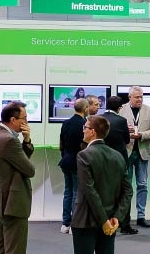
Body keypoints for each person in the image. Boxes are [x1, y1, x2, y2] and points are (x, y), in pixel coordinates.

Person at [71, 115, 132, 254]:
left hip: (86, 221)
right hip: (111, 220)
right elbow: (128, 191)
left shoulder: (84, 155)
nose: (83, 131)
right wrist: (117, 217)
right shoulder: (118, 156)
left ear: (92, 131)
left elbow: (89, 191)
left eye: (85, 128)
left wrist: (104, 221)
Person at [0, 101, 35, 254]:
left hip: (0, 202)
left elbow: (18, 162)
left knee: (2, 248)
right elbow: (29, 169)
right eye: (24, 118)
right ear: (13, 120)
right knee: (15, 250)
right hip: (12, 205)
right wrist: (26, 141)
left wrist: (26, 141)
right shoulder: (9, 140)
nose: (26, 122)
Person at [117, 86, 150, 233]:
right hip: (126, 152)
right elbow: (117, 129)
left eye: (141, 96)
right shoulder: (121, 111)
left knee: (142, 185)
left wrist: (141, 135)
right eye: (136, 97)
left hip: (143, 152)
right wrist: (126, 134)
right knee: (126, 187)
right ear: (130, 98)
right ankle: (124, 217)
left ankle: (141, 216)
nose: (139, 99)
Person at [59, 98, 87, 234]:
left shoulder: (65, 123)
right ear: (86, 109)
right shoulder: (85, 125)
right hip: (78, 162)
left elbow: (62, 143)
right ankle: (74, 224)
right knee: (77, 192)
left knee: (68, 192)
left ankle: (65, 223)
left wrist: (64, 157)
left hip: (66, 160)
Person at [102, 96, 129, 163]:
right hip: (118, 157)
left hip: (101, 156)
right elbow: (127, 140)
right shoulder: (122, 120)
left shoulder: (97, 119)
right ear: (119, 108)